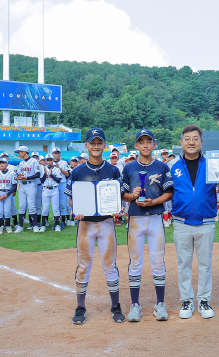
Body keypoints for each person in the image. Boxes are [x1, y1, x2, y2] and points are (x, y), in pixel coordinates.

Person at [69, 128, 125, 325]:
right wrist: (76, 210)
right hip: (85, 225)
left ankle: (115, 305)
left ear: (104, 146)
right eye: (92, 142)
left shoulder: (112, 170)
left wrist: (118, 208)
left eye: (99, 142)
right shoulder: (77, 171)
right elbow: (72, 199)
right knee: (83, 265)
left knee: (110, 265)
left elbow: (117, 197)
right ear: (86, 145)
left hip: (106, 223)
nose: (95, 146)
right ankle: (81, 306)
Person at [120, 129, 174, 322]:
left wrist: (154, 201)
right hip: (135, 218)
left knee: (158, 261)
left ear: (154, 144)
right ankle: (135, 304)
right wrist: (133, 196)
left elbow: (169, 193)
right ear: (136, 145)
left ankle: (160, 304)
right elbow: (122, 194)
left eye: (148, 142)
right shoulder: (129, 168)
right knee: (135, 262)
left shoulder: (161, 167)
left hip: (155, 216)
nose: (145, 145)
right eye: (141, 142)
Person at [171, 124, 217, 319]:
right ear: (181, 142)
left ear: (201, 142)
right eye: (187, 138)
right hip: (181, 222)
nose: (191, 142)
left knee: (205, 264)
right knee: (184, 264)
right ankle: (187, 300)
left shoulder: (211, 164)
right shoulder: (172, 166)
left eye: (195, 138)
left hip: (205, 221)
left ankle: (204, 300)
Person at [14, 146, 42, 233]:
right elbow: (18, 173)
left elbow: (38, 175)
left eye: (20, 152)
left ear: (24, 152)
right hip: (22, 185)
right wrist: (17, 177)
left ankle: (35, 226)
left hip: (30, 185)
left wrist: (26, 178)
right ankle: (20, 226)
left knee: (31, 206)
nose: (19, 154)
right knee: (22, 206)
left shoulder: (34, 161)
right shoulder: (21, 163)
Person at [0, 158, 18, 234]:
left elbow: (14, 185)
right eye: (0, 163)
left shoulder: (12, 173)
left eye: (3, 163)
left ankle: (8, 226)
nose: (1, 164)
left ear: (6, 164)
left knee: (7, 211)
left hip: (7, 193)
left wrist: (8, 194)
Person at [40, 154, 64, 232]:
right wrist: (45, 173)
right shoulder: (43, 169)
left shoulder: (56, 169)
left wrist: (51, 175)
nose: (49, 161)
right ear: (46, 161)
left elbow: (59, 180)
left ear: (53, 161)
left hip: (54, 189)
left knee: (55, 208)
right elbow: (42, 181)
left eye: (51, 160)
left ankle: (57, 225)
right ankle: (43, 225)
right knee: (45, 208)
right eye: (48, 160)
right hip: (45, 189)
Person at [51, 148, 71, 229]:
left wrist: (59, 168)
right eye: (55, 153)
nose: (57, 154)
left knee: (62, 202)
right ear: (52, 154)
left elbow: (67, 174)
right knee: (55, 204)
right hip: (53, 184)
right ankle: (56, 221)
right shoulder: (50, 162)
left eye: (58, 153)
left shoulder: (64, 162)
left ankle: (63, 221)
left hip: (62, 183)